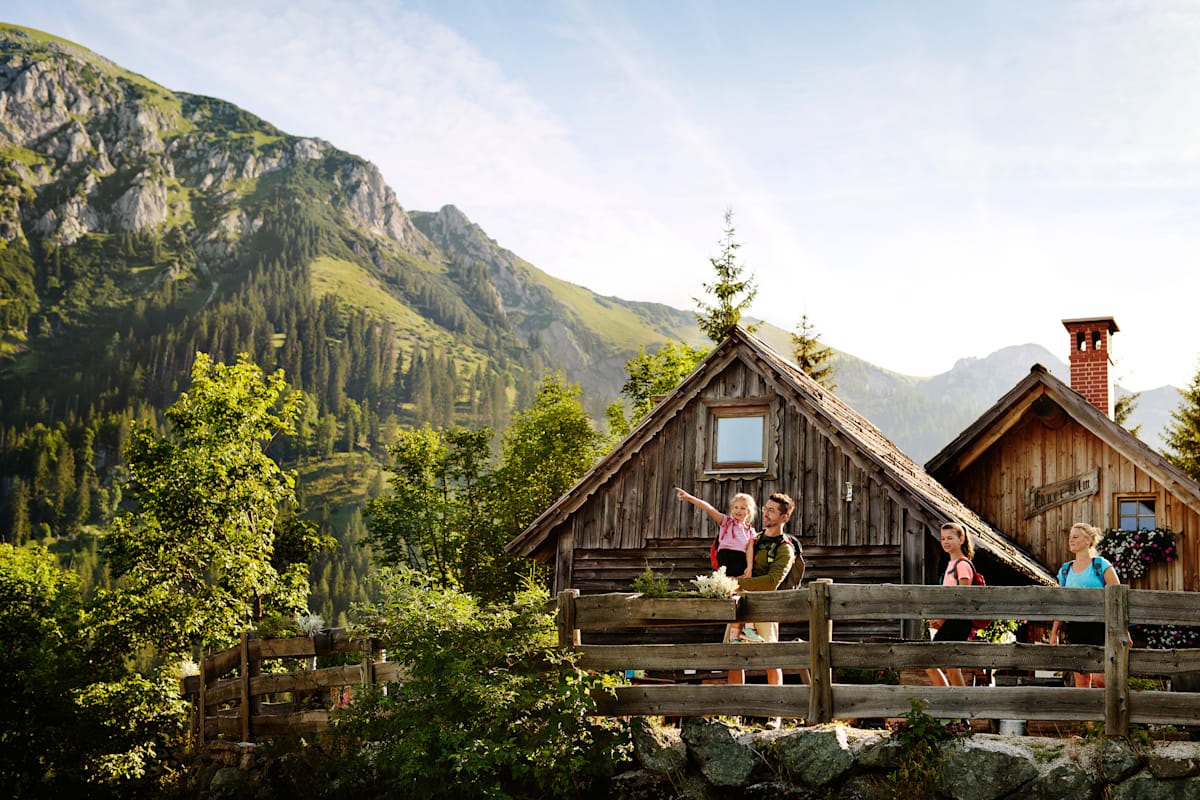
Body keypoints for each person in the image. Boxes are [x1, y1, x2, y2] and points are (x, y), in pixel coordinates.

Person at [728, 492, 797, 730]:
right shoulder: (752, 538)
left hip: (766, 608)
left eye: (772, 511)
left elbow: (771, 582)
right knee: (734, 656)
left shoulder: (785, 549)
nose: (765, 514)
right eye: (765, 509)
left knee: (771, 659)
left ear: (784, 517)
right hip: (740, 606)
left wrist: (736, 583)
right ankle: (734, 714)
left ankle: (775, 715)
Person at [675, 488, 759, 641]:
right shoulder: (726, 522)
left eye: (742, 508)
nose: (738, 511)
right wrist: (689, 498)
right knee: (733, 595)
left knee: (741, 595)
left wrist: (749, 567)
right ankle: (741, 632)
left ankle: (743, 631)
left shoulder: (750, 530)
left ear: (748, 512)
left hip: (740, 560)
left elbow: (749, 549)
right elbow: (709, 508)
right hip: (727, 559)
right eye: (735, 507)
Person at [1049, 523, 1120, 688]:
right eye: (1070, 537)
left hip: (1100, 628)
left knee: (1100, 679)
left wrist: (1124, 631)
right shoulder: (1065, 570)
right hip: (1075, 629)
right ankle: (1086, 706)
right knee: (1081, 680)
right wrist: (1054, 633)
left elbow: (1118, 599)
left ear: (1088, 540)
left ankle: (1112, 705)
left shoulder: (1101, 565)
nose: (1071, 540)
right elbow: (1061, 603)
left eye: (1075, 537)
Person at [925, 522, 978, 688]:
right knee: (951, 666)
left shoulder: (962, 565)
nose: (945, 542)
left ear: (961, 539)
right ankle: (956, 701)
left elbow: (962, 598)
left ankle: (951, 700)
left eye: (950, 538)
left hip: (957, 622)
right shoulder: (950, 565)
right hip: (950, 621)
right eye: (943, 539)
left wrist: (943, 618)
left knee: (931, 662)